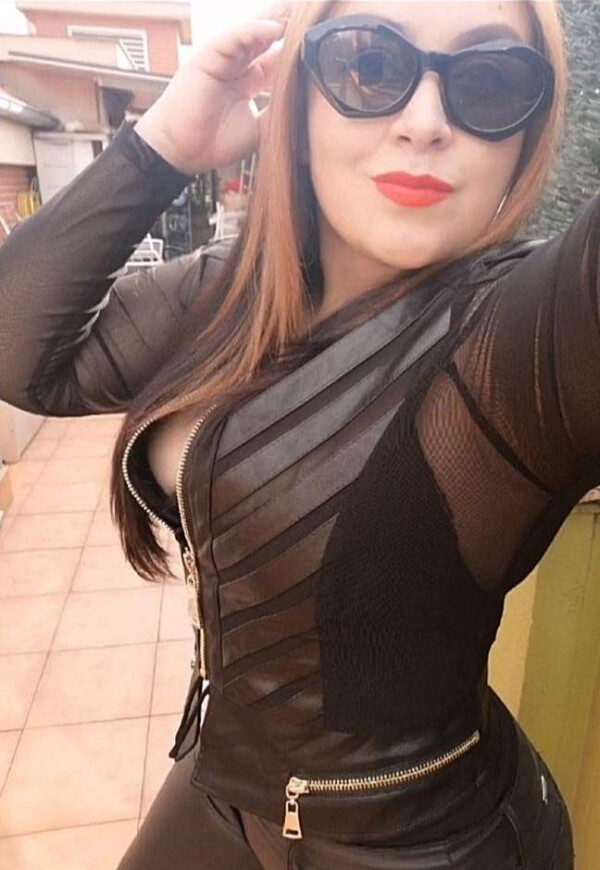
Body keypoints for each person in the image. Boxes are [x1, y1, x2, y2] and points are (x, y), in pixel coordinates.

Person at [0, 0, 595, 866]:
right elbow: (20, 350)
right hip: (226, 773)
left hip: (419, 843)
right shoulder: (227, 292)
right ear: (299, 104)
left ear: (525, 135)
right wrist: (163, 144)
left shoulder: (518, 340)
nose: (425, 121)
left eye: (490, 82)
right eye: (371, 65)